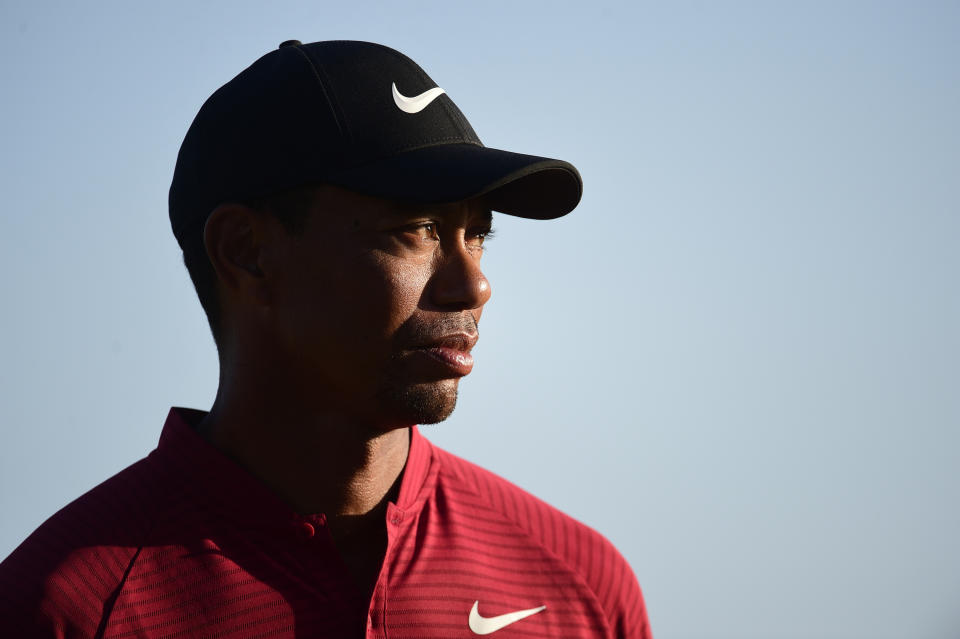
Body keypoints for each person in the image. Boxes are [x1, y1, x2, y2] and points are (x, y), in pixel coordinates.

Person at [0, 40, 652, 638]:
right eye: (418, 227)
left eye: (478, 233)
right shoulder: (66, 609)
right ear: (247, 252)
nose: (474, 285)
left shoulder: (581, 585)